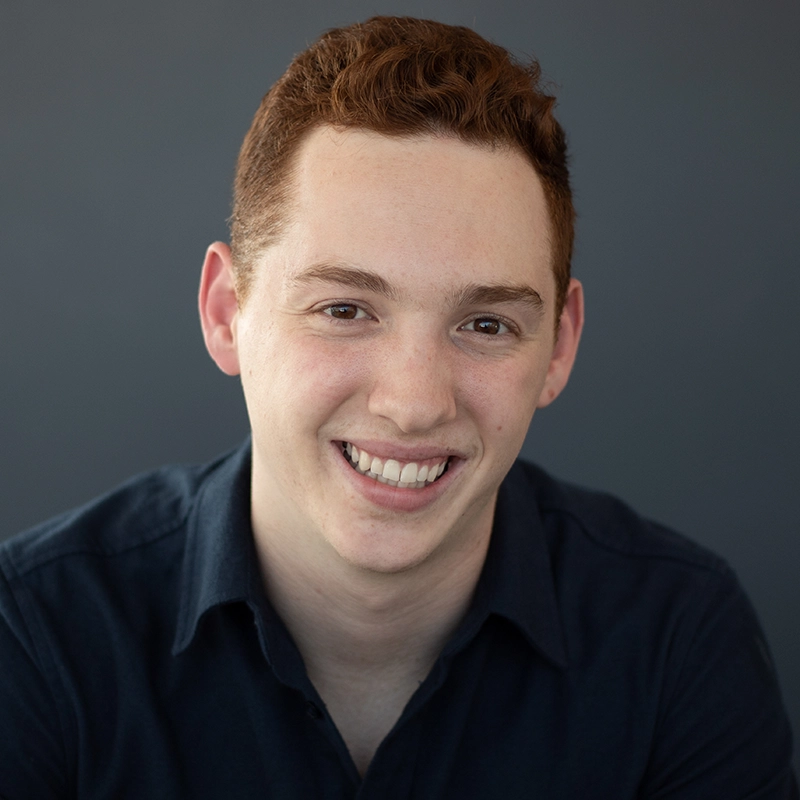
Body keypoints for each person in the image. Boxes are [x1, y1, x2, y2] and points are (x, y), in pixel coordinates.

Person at [0, 15, 795, 799]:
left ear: (557, 347)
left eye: (486, 324)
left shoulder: (677, 639)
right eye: (345, 310)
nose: (413, 405)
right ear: (225, 312)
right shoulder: (35, 636)